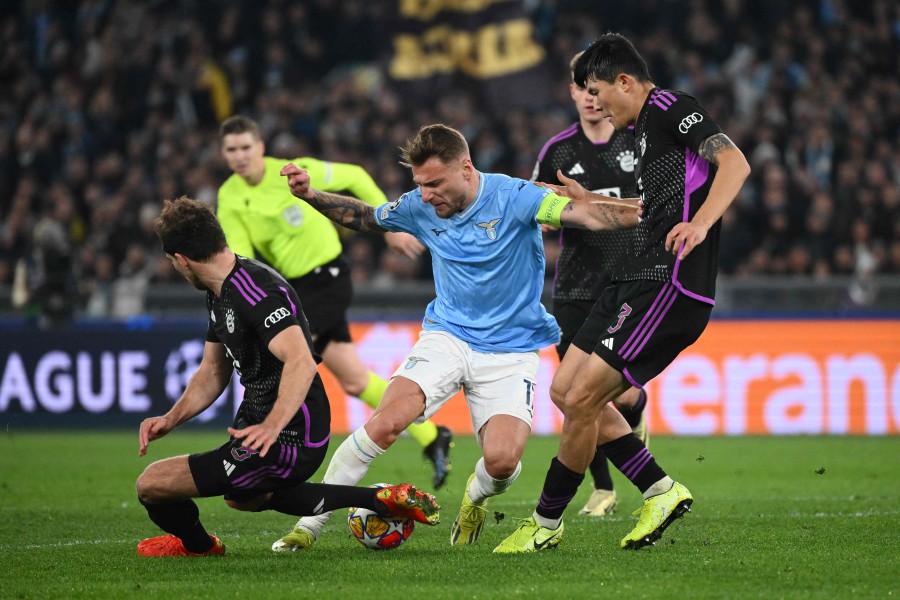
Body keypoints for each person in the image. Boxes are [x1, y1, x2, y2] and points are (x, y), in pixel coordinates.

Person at [274, 123, 642, 550]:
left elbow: (589, 215)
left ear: (466, 168)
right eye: (420, 185)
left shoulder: (516, 196)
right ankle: (308, 525)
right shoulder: (419, 206)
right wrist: (311, 196)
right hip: (447, 337)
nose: (426, 195)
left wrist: (658, 212)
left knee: (502, 464)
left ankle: (475, 496)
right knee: (387, 422)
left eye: (434, 183)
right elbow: (366, 218)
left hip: (512, 348)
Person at [495, 33, 750, 553]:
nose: (598, 103)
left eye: (598, 90)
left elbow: (735, 163)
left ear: (625, 81)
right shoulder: (640, 135)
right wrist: (591, 204)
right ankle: (659, 488)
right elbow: (649, 208)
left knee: (585, 398)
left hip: (668, 281)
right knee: (565, 391)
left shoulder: (671, 107)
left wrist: (700, 225)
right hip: (633, 275)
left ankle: (544, 524)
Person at [134, 196, 439, 557]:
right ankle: (380, 500)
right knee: (244, 497)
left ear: (181, 260)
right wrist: (172, 418)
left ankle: (200, 547)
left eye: (173, 262)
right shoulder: (220, 292)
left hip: (293, 430)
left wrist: (273, 425)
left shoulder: (256, 290)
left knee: (151, 484)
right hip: (263, 423)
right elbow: (213, 370)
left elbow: (301, 360)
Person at [216, 116, 453, 502]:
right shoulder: (229, 196)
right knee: (355, 379)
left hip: (326, 278)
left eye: (246, 147)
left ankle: (269, 451)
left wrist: (388, 227)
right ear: (224, 155)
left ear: (261, 147)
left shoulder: (293, 172)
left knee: (287, 359)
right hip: (292, 289)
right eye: (231, 150)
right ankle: (433, 436)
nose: (240, 156)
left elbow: (356, 176)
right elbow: (242, 253)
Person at [535, 51, 649, 518]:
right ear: (572, 92)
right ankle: (603, 488)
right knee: (579, 396)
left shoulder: (637, 143)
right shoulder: (557, 152)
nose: (588, 96)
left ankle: (635, 422)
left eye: (593, 86)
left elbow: (656, 204)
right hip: (575, 290)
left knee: (621, 396)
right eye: (579, 88)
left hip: (628, 283)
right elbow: (535, 205)